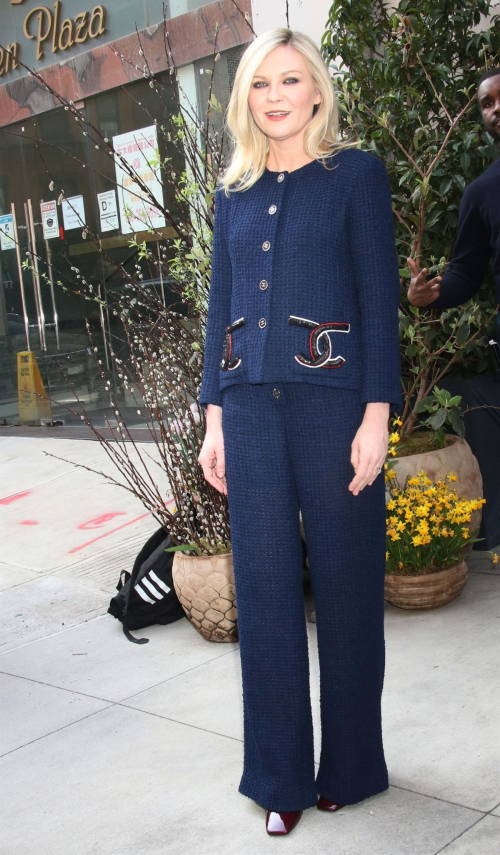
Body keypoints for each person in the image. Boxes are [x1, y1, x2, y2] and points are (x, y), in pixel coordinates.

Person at [197, 28, 402, 837]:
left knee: (349, 584)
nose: (276, 96)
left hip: (334, 408)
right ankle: (278, 774)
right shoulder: (233, 190)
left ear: (317, 91)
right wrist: (213, 416)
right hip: (247, 412)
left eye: (290, 80)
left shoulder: (355, 175)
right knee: (269, 594)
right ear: (247, 99)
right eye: (260, 84)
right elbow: (219, 310)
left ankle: (352, 765)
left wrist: (376, 416)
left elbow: (378, 300)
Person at [408, 67, 500, 338]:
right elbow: (466, 272)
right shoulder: (481, 192)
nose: (496, 108)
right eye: (487, 103)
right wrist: (428, 294)